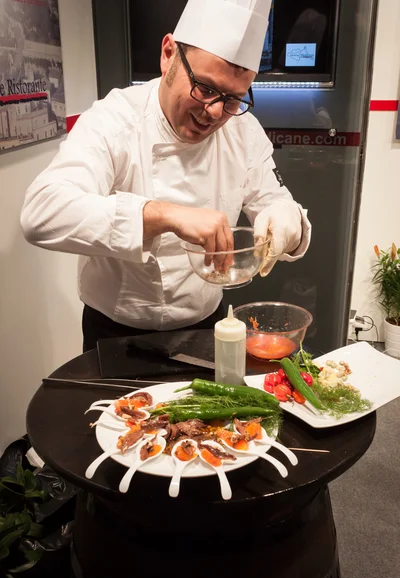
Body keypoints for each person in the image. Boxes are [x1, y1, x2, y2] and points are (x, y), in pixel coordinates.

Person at [20, 0, 311, 351]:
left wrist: (285, 220)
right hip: (114, 335)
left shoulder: (243, 132)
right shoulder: (113, 121)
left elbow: (280, 205)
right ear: (168, 53)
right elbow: (41, 213)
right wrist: (162, 214)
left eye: (233, 99)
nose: (216, 112)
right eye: (204, 87)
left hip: (208, 326)